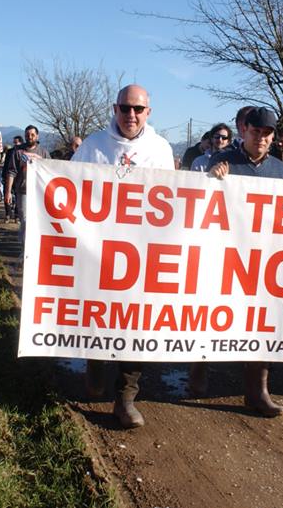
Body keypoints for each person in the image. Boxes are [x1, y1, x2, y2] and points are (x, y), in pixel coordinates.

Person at [73, 84, 175, 429]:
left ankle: (125, 397)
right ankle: (95, 364)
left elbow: (177, 199)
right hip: (98, 251)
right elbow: (69, 186)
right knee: (100, 315)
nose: (131, 115)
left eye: (138, 109)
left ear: (149, 112)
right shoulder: (93, 146)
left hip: (142, 255)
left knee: (134, 323)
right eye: (124, 108)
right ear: (114, 109)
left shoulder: (160, 149)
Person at [209, 107, 283, 418]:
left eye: (268, 133)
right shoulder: (224, 162)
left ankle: (257, 392)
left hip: (263, 257)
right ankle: (198, 367)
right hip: (225, 254)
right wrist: (213, 180)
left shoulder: (279, 170)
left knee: (262, 322)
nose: (262, 138)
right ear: (245, 131)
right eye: (256, 132)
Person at [4, 126, 44, 228]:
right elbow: (11, 172)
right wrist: (8, 192)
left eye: (32, 135)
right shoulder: (18, 152)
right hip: (23, 191)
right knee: (25, 221)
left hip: (39, 193)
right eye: (27, 135)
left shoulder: (43, 153)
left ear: (37, 136)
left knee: (38, 223)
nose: (30, 137)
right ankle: (23, 243)